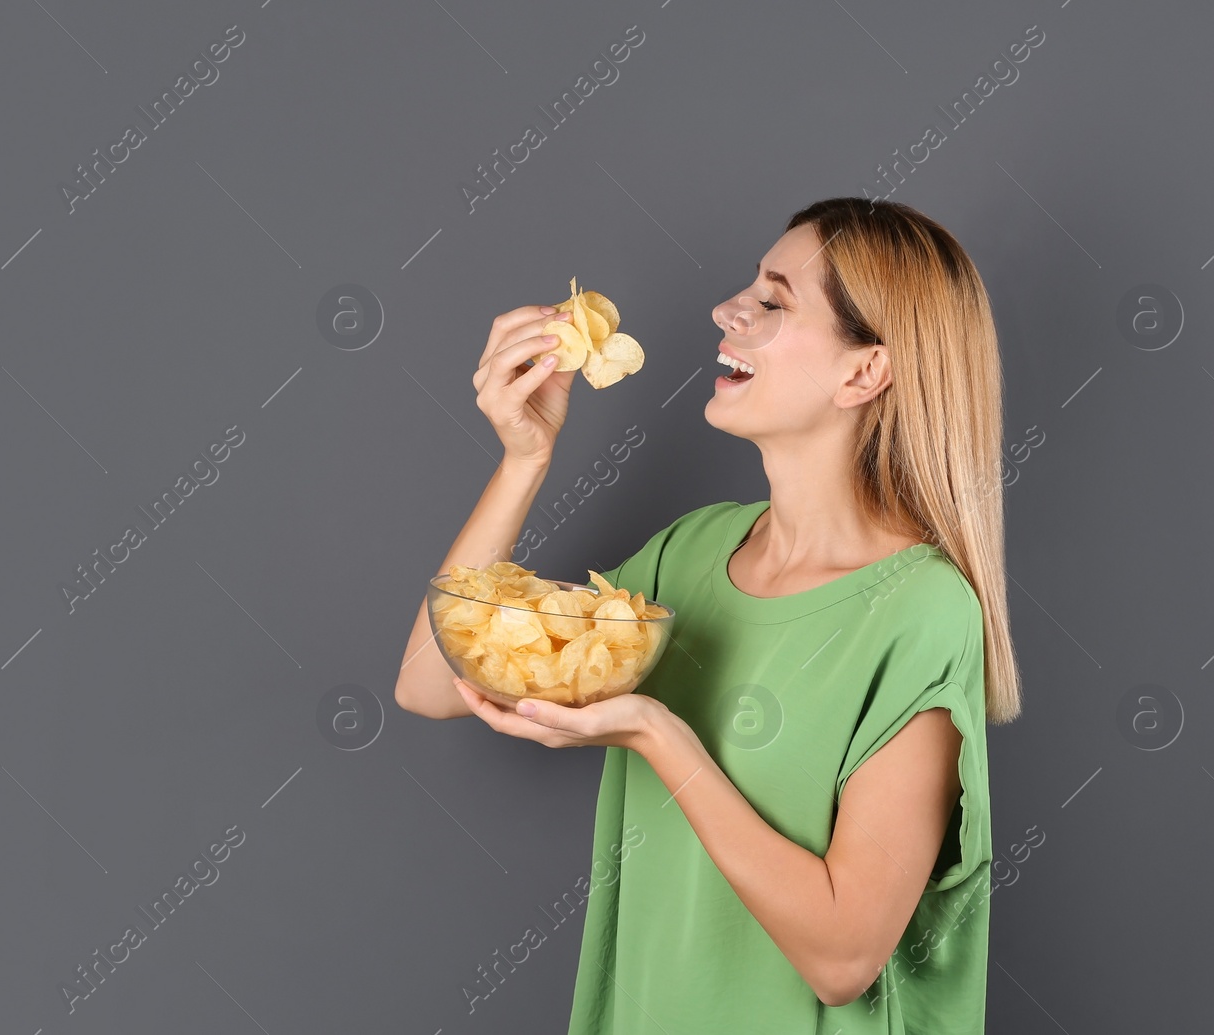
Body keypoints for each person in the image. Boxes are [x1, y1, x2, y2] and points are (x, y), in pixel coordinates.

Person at [394, 197, 1021, 1034]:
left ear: (863, 372)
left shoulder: (921, 612)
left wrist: (658, 733)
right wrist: (524, 459)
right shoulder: (690, 553)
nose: (727, 311)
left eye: (773, 300)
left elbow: (843, 957)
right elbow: (431, 681)